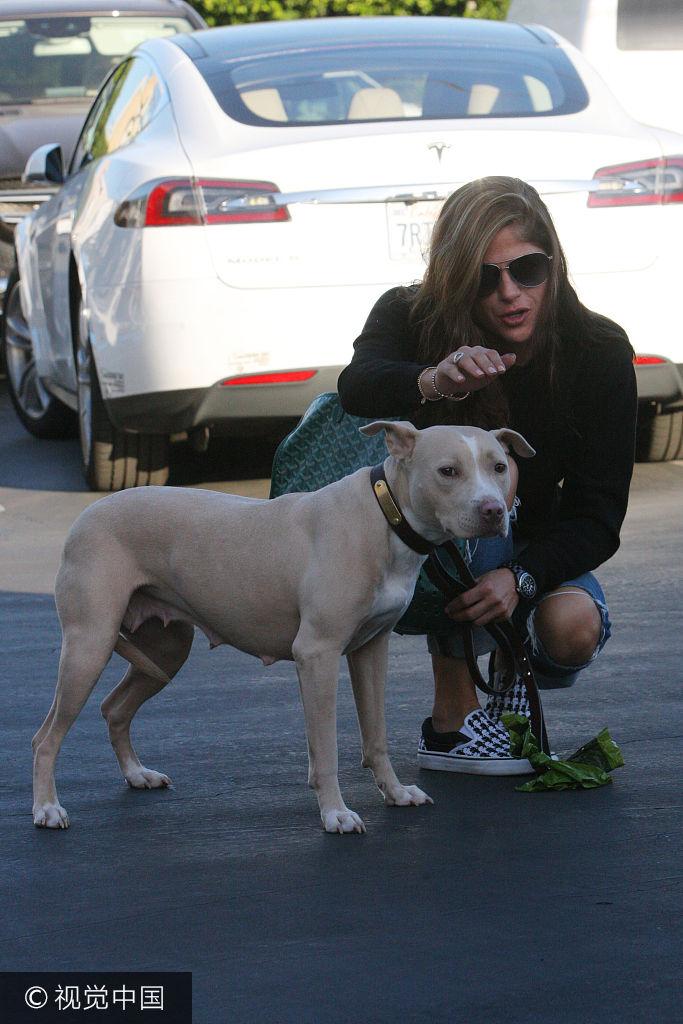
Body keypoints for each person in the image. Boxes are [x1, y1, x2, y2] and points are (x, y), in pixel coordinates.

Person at [337, 176, 637, 775]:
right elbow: (357, 383)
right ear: (454, 280)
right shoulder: (410, 314)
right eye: (484, 276)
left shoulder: (596, 350)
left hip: (535, 542)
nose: (509, 292)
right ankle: (450, 723)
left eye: (527, 269)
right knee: (469, 508)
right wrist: (433, 381)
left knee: (571, 628)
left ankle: (509, 665)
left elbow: (599, 517)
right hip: (430, 545)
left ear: (553, 264)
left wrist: (522, 579)